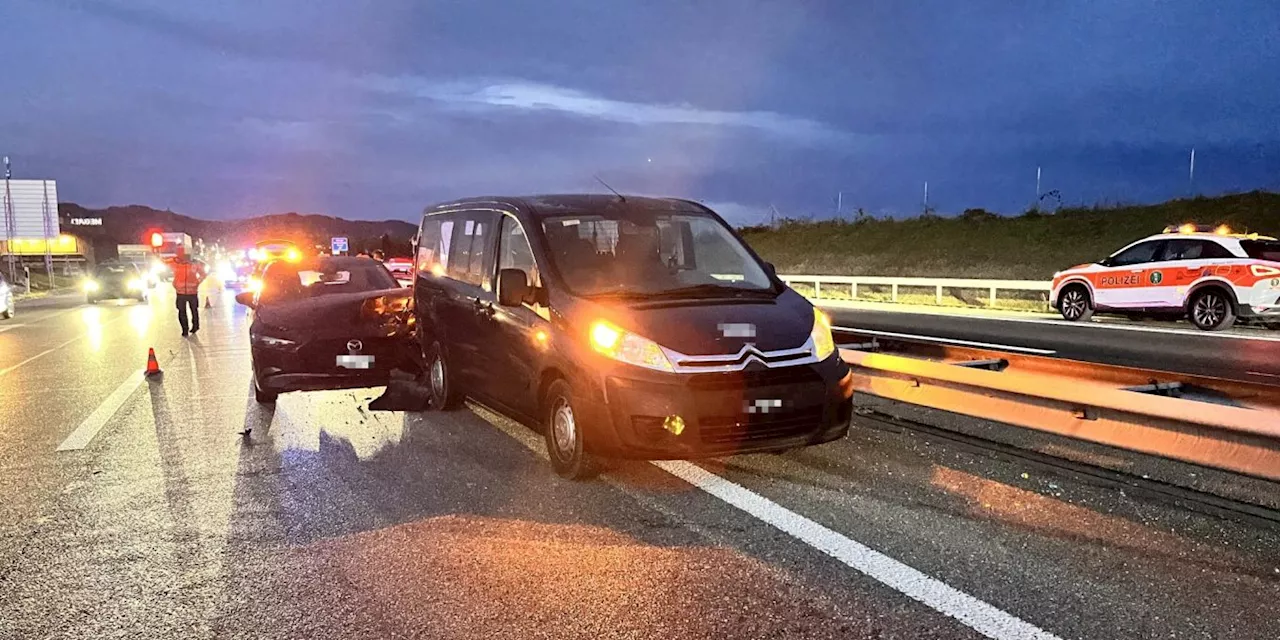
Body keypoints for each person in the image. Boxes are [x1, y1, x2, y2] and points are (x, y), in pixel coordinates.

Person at [170, 247, 207, 336]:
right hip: (180, 292)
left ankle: (195, 326)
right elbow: (163, 261)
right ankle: (184, 330)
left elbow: (203, 273)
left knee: (194, 310)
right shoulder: (176, 263)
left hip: (192, 292)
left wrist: (197, 282)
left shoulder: (195, 264)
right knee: (181, 311)